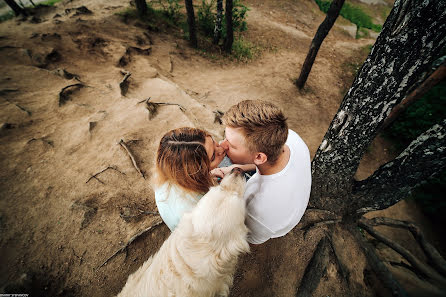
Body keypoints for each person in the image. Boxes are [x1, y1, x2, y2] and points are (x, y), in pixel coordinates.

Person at [218, 100, 312, 244]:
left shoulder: (258, 210)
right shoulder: (291, 139)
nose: (221, 145)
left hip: (267, 223)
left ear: (259, 157)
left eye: (231, 145)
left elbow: (249, 238)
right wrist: (240, 168)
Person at [153, 127, 226, 231]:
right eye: (213, 156)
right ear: (196, 172)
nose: (222, 148)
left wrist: (208, 175)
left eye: (214, 142)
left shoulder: (167, 172)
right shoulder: (204, 205)